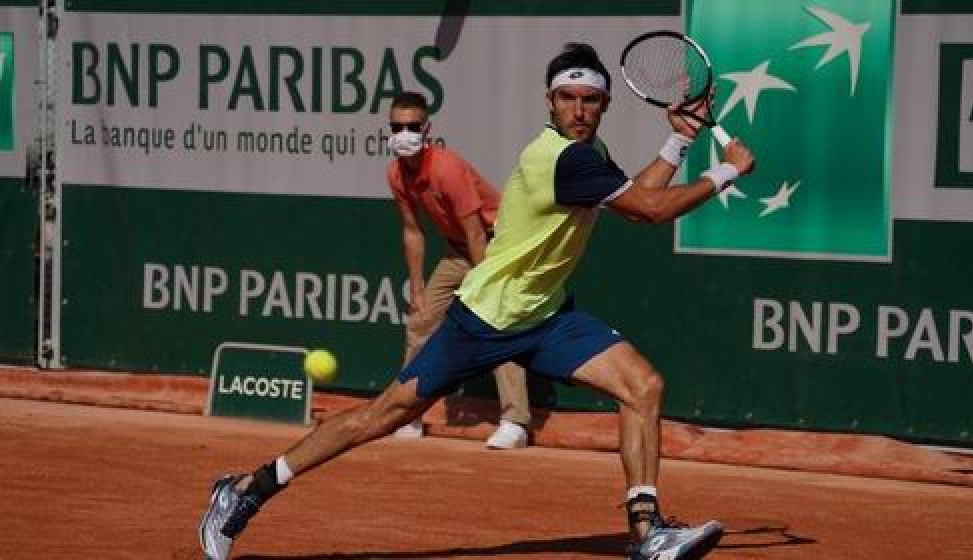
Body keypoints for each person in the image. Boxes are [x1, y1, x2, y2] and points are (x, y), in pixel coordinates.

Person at [199, 42, 755, 560]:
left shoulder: (589, 153)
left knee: (642, 386)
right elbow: (650, 212)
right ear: (550, 101)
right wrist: (727, 169)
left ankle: (647, 533)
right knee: (383, 416)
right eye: (567, 98)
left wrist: (679, 141)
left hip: (545, 315)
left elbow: (638, 196)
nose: (579, 110)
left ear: (605, 104)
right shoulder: (562, 159)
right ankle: (246, 489)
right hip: (486, 319)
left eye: (590, 100)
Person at [384, 91, 531, 448]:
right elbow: (412, 231)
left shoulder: (447, 168)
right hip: (457, 252)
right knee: (420, 320)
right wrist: (417, 288)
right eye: (397, 127)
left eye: (412, 127)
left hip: (493, 246)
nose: (404, 134)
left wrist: (485, 286)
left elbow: (476, 232)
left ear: (427, 129)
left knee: (495, 322)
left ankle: (515, 422)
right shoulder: (396, 174)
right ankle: (409, 414)